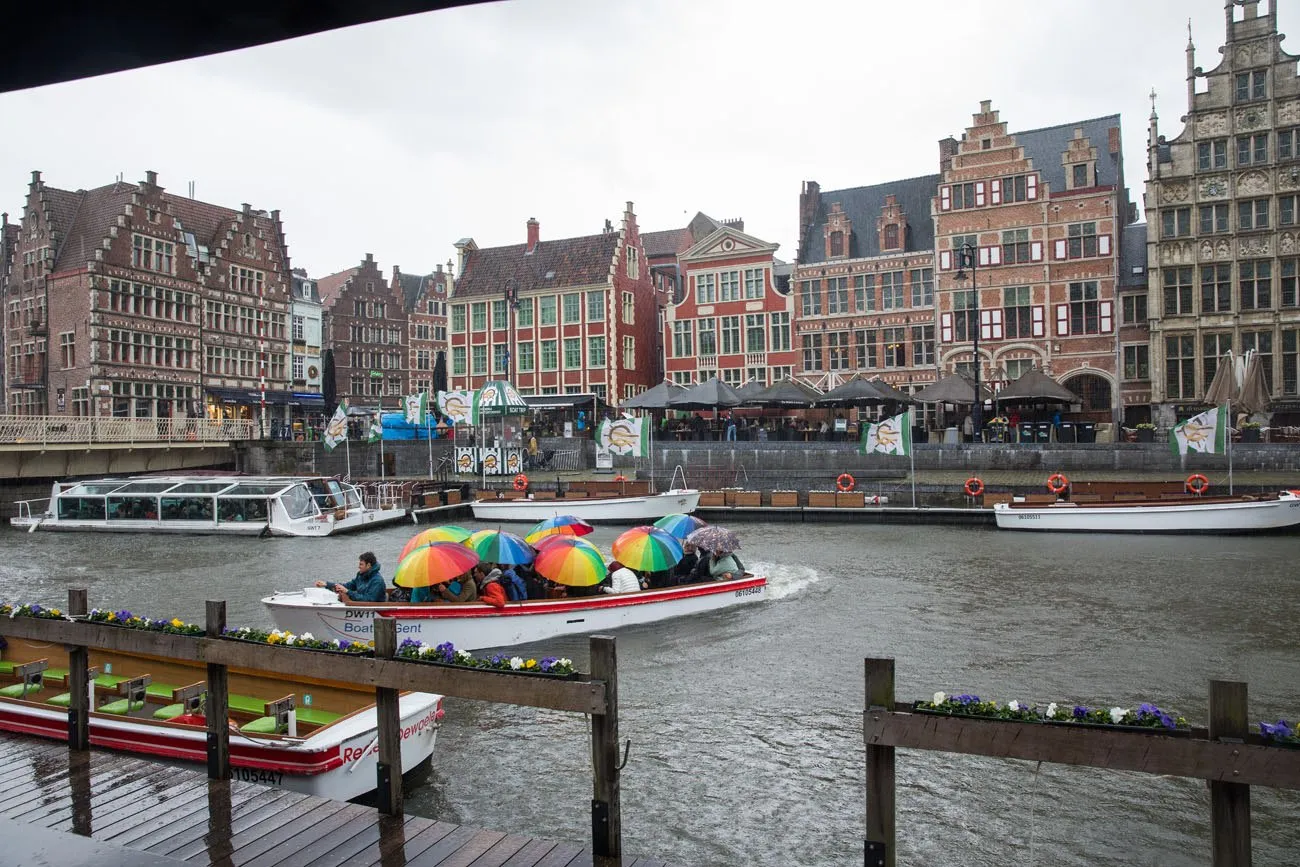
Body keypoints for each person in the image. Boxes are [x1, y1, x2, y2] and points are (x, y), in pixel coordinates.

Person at [316, 552, 387, 603]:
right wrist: (327, 584)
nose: (359, 567)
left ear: (368, 565)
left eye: (361, 564)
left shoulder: (377, 581)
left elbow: (369, 599)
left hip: (372, 608)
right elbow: (347, 586)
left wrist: (347, 592)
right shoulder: (360, 575)